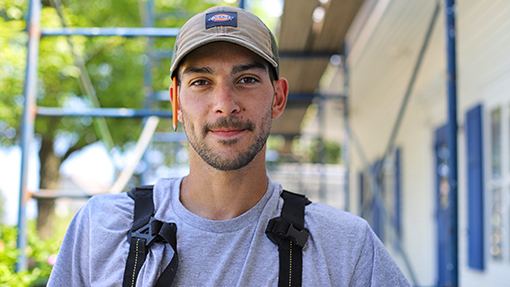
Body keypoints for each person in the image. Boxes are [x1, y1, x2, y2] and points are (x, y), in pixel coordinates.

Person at [48, 6, 411, 287]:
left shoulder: (345, 246)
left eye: (247, 79)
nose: (224, 103)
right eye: (202, 82)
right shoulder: (101, 230)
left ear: (278, 98)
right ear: (176, 103)